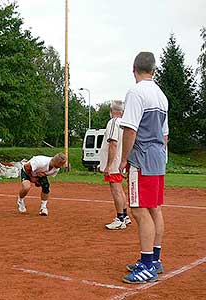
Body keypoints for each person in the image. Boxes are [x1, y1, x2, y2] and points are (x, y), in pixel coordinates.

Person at [119, 52, 169, 284]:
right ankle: (154, 259)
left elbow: (130, 130)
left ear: (134, 68)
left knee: (139, 210)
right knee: (154, 208)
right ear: (154, 69)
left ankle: (147, 265)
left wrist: (123, 160)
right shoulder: (161, 95)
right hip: (158, 158)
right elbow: (165, 135)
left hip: (142, 158)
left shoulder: (136, 93)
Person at [98, 100, 131, 230]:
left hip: (114, 163)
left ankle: (120, 219)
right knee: (120, 189)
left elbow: (113, 143)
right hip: (120, 162)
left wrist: (108, 165)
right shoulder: (124, 124)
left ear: (112, 111)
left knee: (116, 189)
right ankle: (125, 216)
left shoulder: (113, 122)